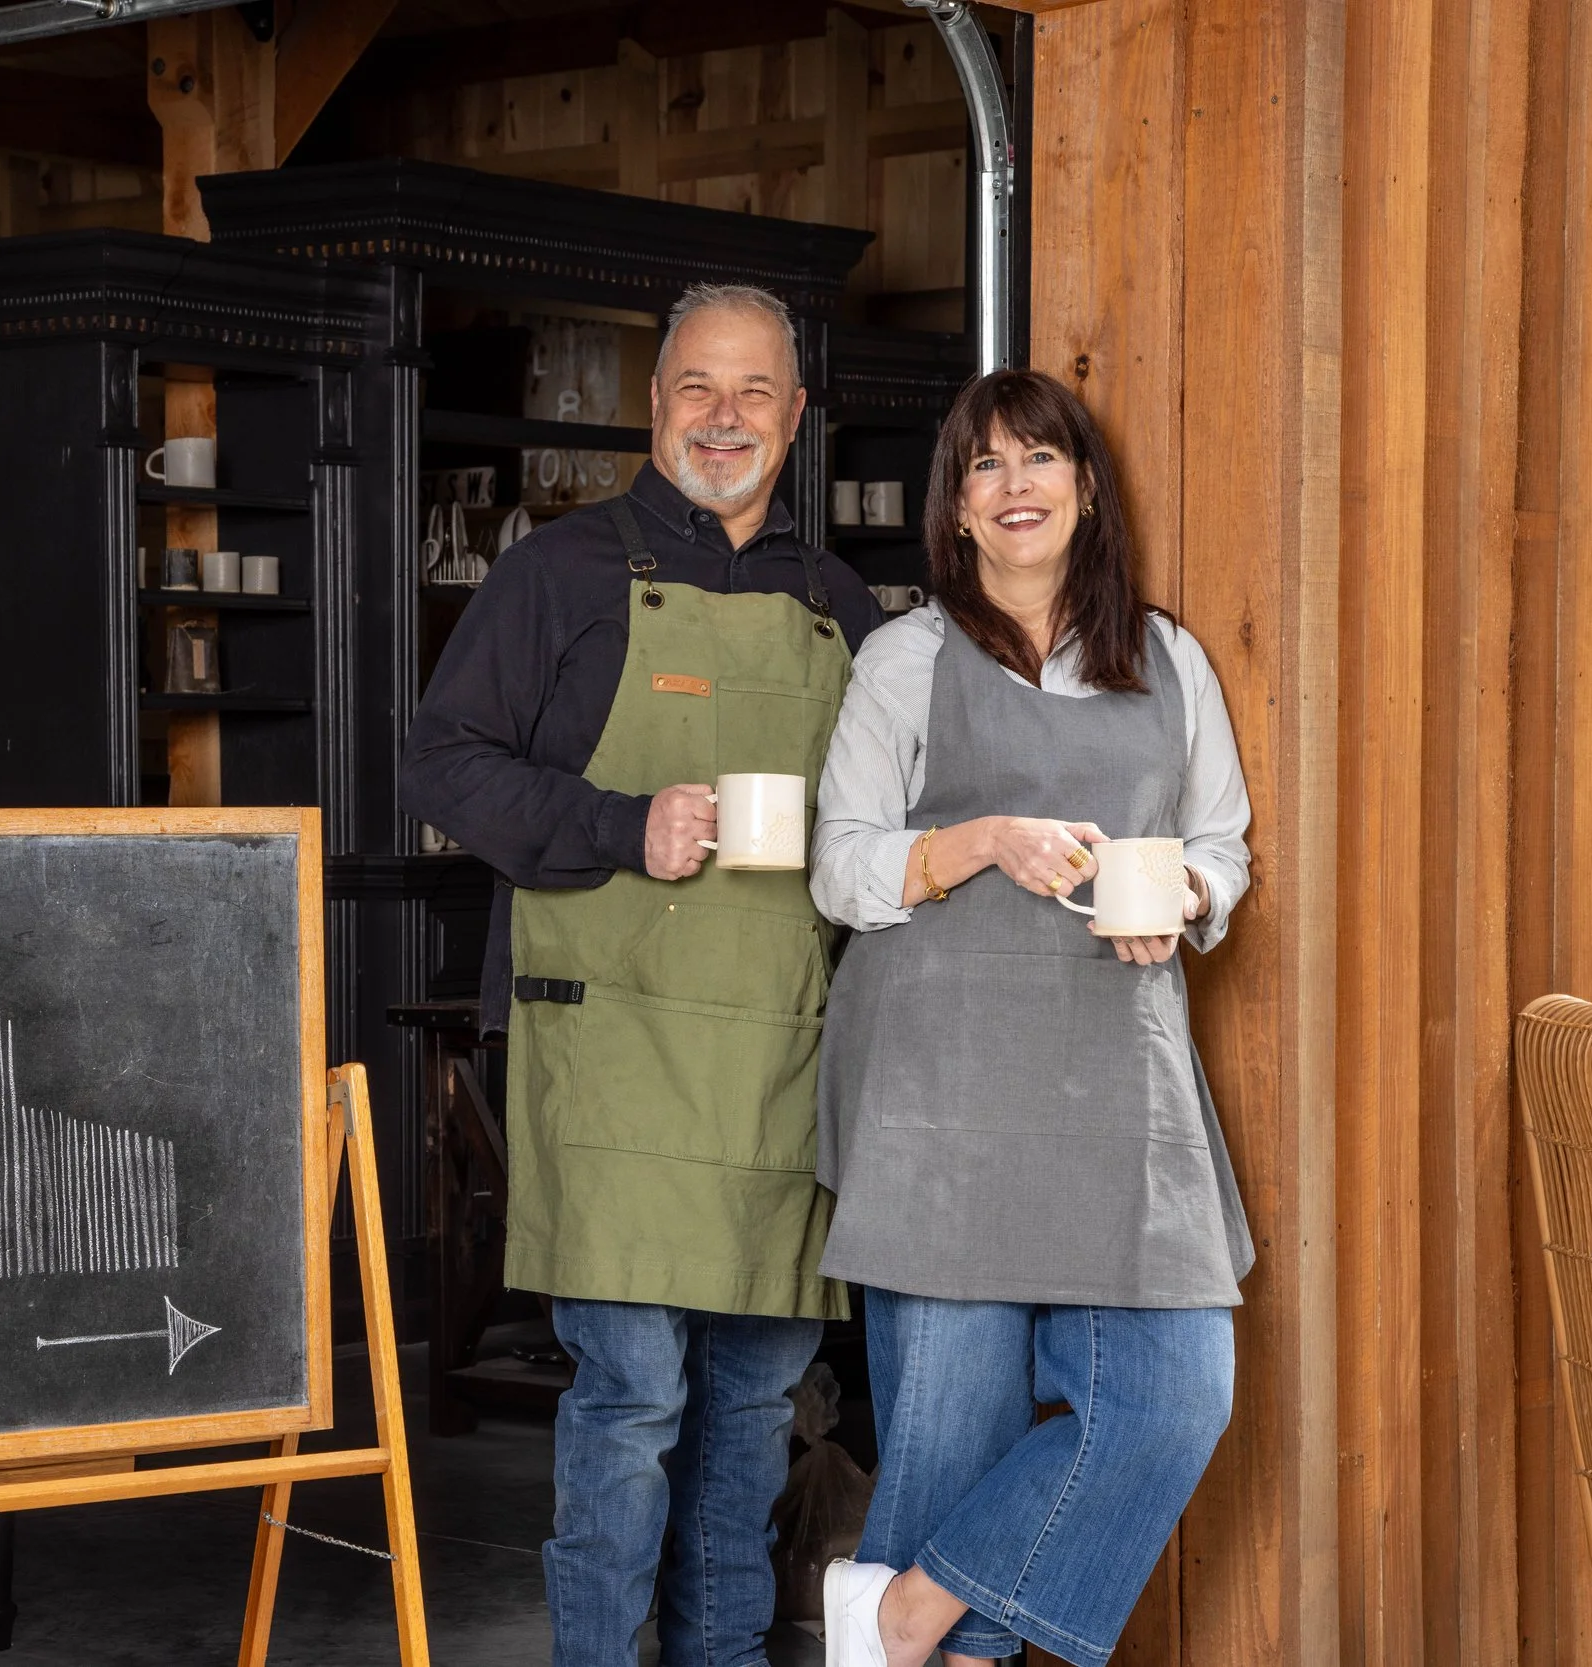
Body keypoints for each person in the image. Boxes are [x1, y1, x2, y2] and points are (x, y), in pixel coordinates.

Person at [400, 282, 883, 1667]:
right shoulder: (555, 574)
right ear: (655, 402)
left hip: (776, 1060)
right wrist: (623, 823)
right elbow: (441, 763)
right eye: (694, 388)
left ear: (795, 419)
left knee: (751, 1408)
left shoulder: (836, 605)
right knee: (631, 1398)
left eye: (752, 394)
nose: (721, 418)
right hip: (611, 1049)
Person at [807, 368, 1254, 1667]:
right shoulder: (905, 658)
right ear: (954, 508)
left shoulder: (1168, 659)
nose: (1014, 487)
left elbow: (1222, 846)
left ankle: (896, 1616)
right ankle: (923, 1636)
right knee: (949, 1452)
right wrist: (980, 842)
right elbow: (841, 864)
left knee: (1176, 1402)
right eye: (985, 467)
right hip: (942, 1101)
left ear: (1086, 488)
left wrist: (1178, 885)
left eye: (1039, 460)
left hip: (1124, 1096)